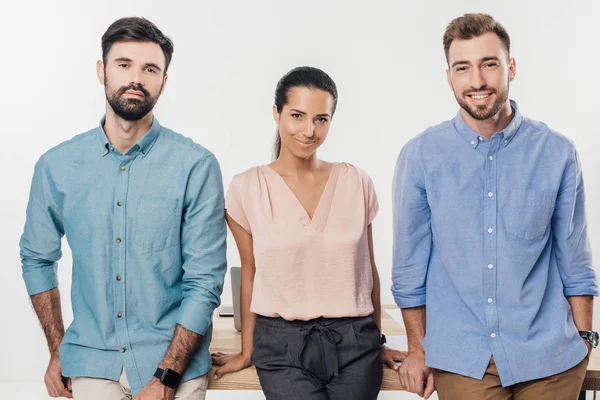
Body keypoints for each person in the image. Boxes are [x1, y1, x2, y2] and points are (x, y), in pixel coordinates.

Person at [392, 13, 597, 400]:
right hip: (464, 357)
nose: (478, 81)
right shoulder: (421, 156)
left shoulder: (556, 153)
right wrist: (418, 349)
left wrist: (584, 341)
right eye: (463, 68)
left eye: (489, 64)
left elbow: (575, 261)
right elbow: (409, 269)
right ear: (449, 76)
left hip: (549, 355)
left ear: (511, 68)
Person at [19, 17, 227, 400]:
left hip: (173, 364)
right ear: (102, 71)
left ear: (164, 82)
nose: (137, 78)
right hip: (93, 361)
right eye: (124, 64)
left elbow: (205, 279)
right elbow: (36, 257)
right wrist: (58, 349)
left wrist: (166, 376)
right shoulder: (56, 166)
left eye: (150, 69)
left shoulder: (195, 166)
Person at [211, 66, 404, 399]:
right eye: (297, 115)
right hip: (281, 344)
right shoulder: (247, 188)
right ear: (277, 113)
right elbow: (250, 275)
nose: (309, 130)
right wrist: (247, 352)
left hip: (356, 342)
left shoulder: (357, 181)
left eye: (321, 119)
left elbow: (367, 272)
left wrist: (379, 341)